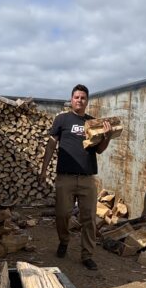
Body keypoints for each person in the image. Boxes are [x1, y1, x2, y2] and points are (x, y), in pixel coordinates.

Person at [40, 84, 113, 270]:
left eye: (83, 98)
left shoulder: (93, 123)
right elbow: (50, 146)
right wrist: (43, 170)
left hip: (87, 178)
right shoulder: (62, 120)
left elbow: (99, 150)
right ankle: (64, 241)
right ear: (71, 99)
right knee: (62, 214)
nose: (79, 100)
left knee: (88, 218)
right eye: (76, 97)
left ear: (87, 101)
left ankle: (87, 255)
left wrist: (107, 137)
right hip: (66, 177)